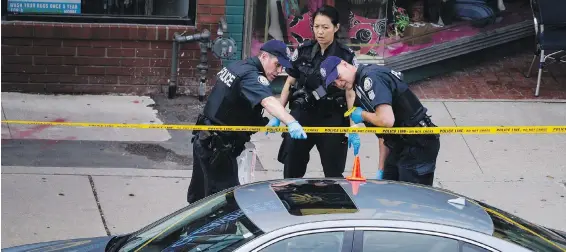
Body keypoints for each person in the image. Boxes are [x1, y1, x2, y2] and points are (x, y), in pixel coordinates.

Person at [186, 40, 308, 204]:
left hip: (206, 140)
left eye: (282, 68)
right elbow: (267, 101)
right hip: (218, 147)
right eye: (277, 65)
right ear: (264, 56)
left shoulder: (238, 66)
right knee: (224, 203)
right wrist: (290, 121)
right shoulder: (252, 75)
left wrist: (276, 118)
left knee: (201, 199)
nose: (279, 71)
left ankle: (193, 228)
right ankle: (219, 230)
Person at [267, 5, 361, 179]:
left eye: (325, 27)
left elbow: (350, 92)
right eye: (316, 27)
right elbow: (290, 81)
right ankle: (290, 203)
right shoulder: (303, 50)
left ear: (336, 27)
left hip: (331, 118)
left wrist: (353, 123)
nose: (320, 32)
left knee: (333, 172)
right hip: (301, 116)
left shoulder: (346, 56)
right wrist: (278, 114)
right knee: (292, 168)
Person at [318, 56, 441, 186]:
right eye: (334, 83)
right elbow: (383, 134)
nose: (339, 83)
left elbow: (386, 120)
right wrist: (381, 169)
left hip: (418, 143)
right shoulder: (358, 87)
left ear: (345, 64)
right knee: (387, 190)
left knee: (412, 198)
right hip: (398, 143)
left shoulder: (371, 77)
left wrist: (363, 115)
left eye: (338, 76)